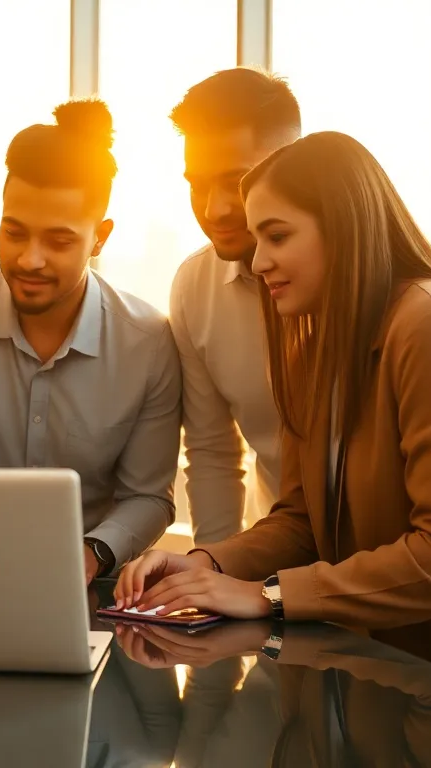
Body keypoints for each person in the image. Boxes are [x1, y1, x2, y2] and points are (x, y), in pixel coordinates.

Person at [114, 132, 431, 744]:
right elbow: (303, 520)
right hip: (398, 693)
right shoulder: (319, 342)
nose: (257, 259)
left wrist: (263, 595)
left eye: (277, 235)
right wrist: (206, 565)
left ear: (344, 227)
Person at [0, 99, 182, 583]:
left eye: (58, 242)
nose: (29, 260)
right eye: (14, 232)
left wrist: (89, 554)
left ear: (99, 238)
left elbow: (148, 496)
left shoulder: (148, 342)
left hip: (90, 591)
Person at [169, 68, 301, 546]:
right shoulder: (195, 287)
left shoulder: (369, 283)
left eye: (237, 181)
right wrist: (214, 572)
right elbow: (212, 452)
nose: (215, 208)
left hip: (394, 566)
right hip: (283, 556)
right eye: (197, 184)